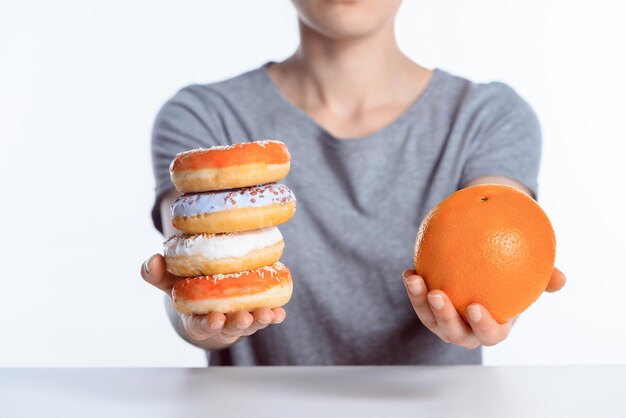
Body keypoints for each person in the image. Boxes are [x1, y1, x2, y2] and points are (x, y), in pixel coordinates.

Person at [142, 0, 566, 365]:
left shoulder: (489, 117)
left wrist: (497, 304)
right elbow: (187, 271)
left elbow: (500, 225)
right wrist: (204, 324)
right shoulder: (201, 116)